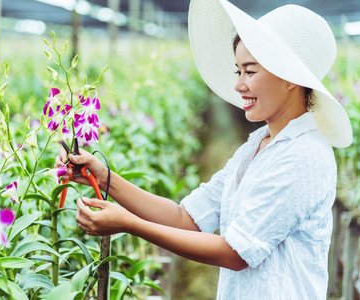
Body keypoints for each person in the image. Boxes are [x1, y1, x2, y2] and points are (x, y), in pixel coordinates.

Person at [55, 0, 353, 299]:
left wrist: (129, 224)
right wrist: (105, 178)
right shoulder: (257, 146)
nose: (238, 85)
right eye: (238, 71)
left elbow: (236, 253)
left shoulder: (304, 154)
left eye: (250, 72)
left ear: (289, 78)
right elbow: (187, 218)